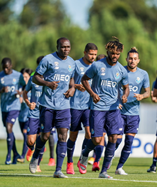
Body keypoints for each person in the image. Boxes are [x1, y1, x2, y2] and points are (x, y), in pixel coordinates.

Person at [77, 37, 129, 179]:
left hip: (113, 109)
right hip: (98, 108)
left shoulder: (121, 70)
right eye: (113, 53)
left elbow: (126, 87)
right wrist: (92, 93)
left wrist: (124, 95)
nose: (115, 56)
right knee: (97, 140)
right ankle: (84, 154)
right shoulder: (97, 66)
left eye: (118, 54)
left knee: (114, 138)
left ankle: (104, 172)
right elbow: (84, 79)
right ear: (108, 51)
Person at [29, 37, 75, 178]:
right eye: (62, 47)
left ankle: (58, 170)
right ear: (57, 47)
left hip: (64, 105)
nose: (65, 49)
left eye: (68, 47)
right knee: (45, 135)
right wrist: (47, 83)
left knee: (63, 135)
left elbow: (71, 79)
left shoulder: (72, 62)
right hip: (47, 104)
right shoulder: (48, 59)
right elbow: (35, 77)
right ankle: (36, 156)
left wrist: (72, 88)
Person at [114, 47, 150, 175]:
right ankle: (106, 160)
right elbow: (112, 87)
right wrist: (117, 101)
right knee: (117, 140)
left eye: (135, 59)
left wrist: (142, 96)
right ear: (126, 59)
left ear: (138, 60)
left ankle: (119, 168)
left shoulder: (143, 74)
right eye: (130, 58)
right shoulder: (120, 70)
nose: (132, 61)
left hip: (134, 114)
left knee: (129, 142)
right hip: (119, 112)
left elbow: (147, 92)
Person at [66, 43, 98, 174]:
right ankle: (69, 163)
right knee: (73, 135)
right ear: (85, 52)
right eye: (91, 54)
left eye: (95, 55)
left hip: (90, 106)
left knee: (90, 134)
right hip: (75, 105)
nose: (93, 57)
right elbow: (68, 80)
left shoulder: (96, 66)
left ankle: (82, 159)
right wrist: (76, 86)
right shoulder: (75, 64)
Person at [0, 57, 26, 165]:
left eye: (7, 67)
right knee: (8, 130)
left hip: (15, 106)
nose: (5, 70)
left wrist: (20, 92)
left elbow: (25, 86)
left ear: (11, 65)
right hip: (4, 107)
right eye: (3, 68)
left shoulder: (18, 76)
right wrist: (1, 90)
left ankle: (8, 156)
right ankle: (15, 153)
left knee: (9, 127)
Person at [23, 57, 44, 172]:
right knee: (30, 141)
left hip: (46, 112)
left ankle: (37, 163)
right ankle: (32, 149)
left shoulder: (50, 79)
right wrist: (28, 103)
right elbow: (25, 93)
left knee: (43, 138)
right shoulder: (32, 78)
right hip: (34, 113)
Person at [88, 54, 108, 166]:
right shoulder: (92, 72)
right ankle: (86, 154)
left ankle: (96, 159)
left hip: (107, 109)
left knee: (102, 135)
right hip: (92, 108)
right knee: (93, 136)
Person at [17, 68, 33, 163]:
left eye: (26, 77)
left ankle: (22, 156)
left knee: (25, 134)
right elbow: (19, 101)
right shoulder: (20, 87)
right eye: (23, 77)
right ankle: (32, 146)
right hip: (21, 116)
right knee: (25, 137)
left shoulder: (32, 87)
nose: (24, 79)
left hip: (29, 116)